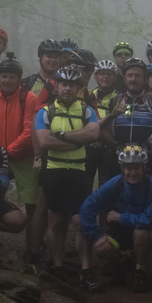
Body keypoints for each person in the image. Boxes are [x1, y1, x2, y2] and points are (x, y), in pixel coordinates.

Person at [34, 66, 101, 277]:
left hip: (80, 172)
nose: (67, 89)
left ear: (78, 88)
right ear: (56, 87)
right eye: (64, 84)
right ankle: (57, 266)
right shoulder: (45, 112)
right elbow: (44, 142)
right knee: (55, 220)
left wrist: (61, 135)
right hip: (53, 170)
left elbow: (92, 135)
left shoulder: (87, 111)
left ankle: (86, 268)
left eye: (72, 85)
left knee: (80, 222)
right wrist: (76, 141)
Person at [78, 145, 152, 293]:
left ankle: (140, 271)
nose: (132, 172)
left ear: (144, 167)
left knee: (140, 233)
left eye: (137, 168)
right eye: (128, 168)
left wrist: (121, 217)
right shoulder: (116, 183)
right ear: (122, 169)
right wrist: (97, 236)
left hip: (146, 232)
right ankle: (124, 263)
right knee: (102, 249)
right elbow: (87, 207)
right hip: (121, 231)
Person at [0, 53, 42, 263]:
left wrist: (7, 151)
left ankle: (33, 250)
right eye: (4, 76)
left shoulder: (28, 98)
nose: (7, 80)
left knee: (32, 205)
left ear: (19, 79)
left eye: (12, 77)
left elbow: (29, 132)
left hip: (24, 158)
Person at [99, 57, 152, 179]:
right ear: (124, 79)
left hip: (147, 160)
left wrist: (150, 145)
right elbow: (104, 131)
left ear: (144, 79)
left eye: (137, 76)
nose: (133, 79)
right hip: (118, 159)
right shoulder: (115, 101)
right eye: (129, 75)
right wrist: (115, 145)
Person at [89, 60, 120, 185]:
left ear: (115, 77)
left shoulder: (120, 98)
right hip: (89, 148)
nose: (106, 77)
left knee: (106, 185)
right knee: (86, 185)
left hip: (110, 149)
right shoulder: (88, 96)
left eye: (110, 74)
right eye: (102, 73)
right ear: (95, 77)